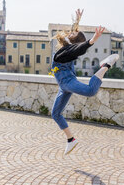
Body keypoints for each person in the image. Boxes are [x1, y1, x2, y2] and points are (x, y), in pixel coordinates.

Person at [51, 9, 119, 155]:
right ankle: (71, 140)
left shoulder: (67, 51)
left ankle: (106, 65)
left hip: (67, 82)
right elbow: (73, 34)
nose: (71, 32)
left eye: (73, 33)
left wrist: (91, 41)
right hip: (64, 86)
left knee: (90, 90)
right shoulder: (66, 47)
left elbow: (78, 49)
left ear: (73, 41)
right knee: (55, 114)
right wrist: (77, 20)